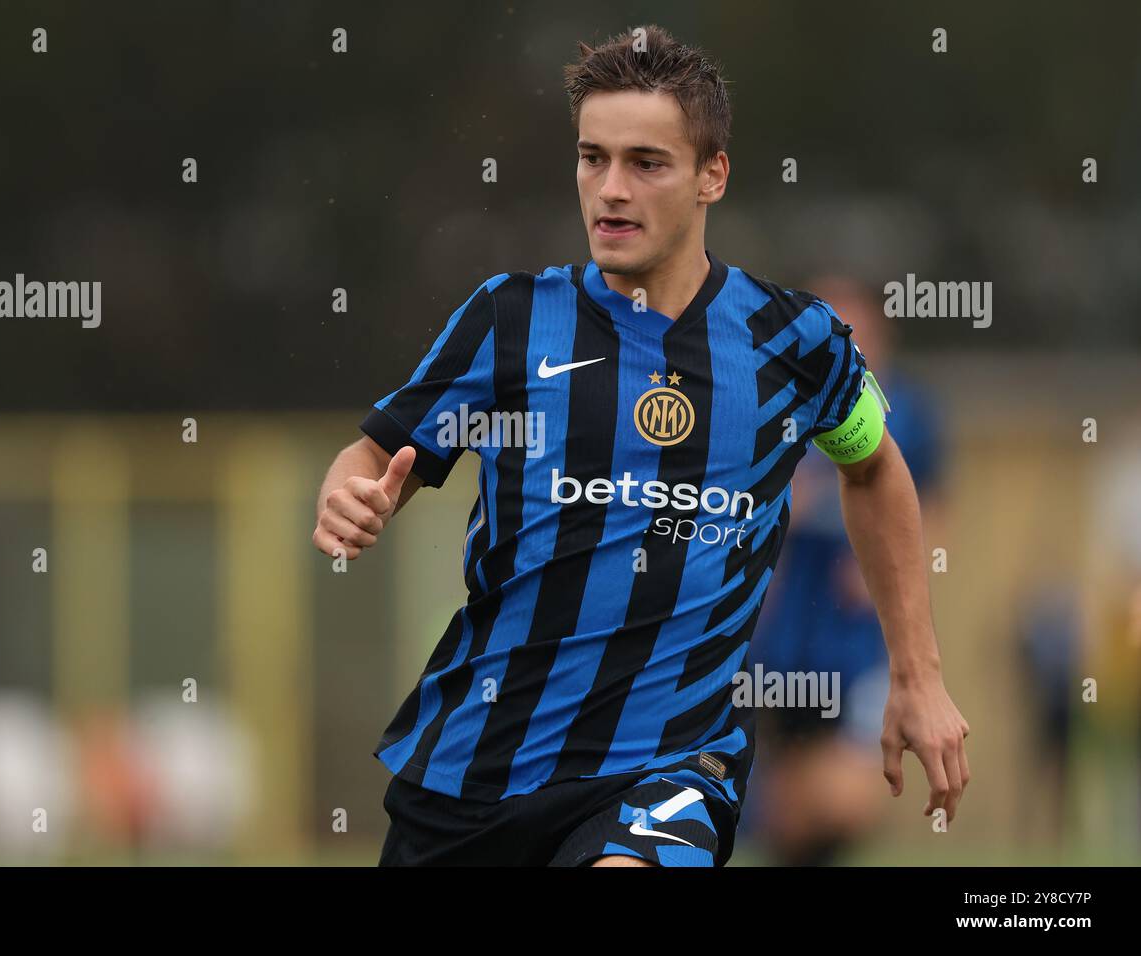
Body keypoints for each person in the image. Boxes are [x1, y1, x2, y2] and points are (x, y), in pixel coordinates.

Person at [312, 25, 969, 867]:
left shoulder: (798, 344)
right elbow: (373, 456)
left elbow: (874, 467)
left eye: (646, 163)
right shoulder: (511, 320)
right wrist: (350, 495)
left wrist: (917, 674)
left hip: (668, 768)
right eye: (593, 158)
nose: (610, 189)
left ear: (712, 175)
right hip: (475, 769)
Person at [744, 276, 947, 865]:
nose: (848, 348)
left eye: (858, 334)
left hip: (861, 644)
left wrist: (890, 559)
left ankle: (782, 811)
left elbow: (937, 511)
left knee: (847, 798)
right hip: (780, 643)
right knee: (776, 800)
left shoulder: (908, 412)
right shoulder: (777, 408)